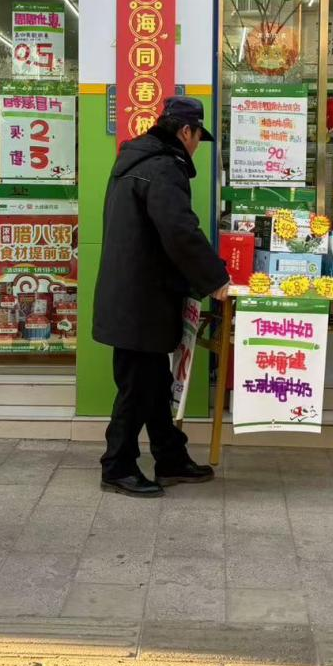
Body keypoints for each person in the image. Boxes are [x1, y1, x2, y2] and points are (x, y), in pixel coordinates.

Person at [93, 97, 231, 497]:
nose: (197, 146)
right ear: (185, 131)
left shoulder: (134, 162)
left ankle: (170, 457)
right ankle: (117, 466)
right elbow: (179, 229)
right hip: (142, 299)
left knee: (153, 383)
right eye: (198, 138)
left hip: (132, 294)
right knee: (138, 387)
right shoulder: (163, 167)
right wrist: (215, 279)